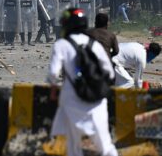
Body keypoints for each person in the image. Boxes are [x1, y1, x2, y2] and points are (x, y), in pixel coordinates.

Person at [48, 8, 117, 156]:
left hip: (71, 100)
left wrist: (53, 89)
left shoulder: (61, 44)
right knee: (105, 144)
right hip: (97, 100)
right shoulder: (94, 45)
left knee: (73, 145)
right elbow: (110, 74)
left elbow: (53, 73)